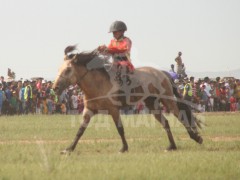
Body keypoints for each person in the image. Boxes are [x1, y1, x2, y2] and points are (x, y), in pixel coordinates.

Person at [98, 20, 134, 85]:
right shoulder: (113, 41)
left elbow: (122, 49)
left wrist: (108, 49)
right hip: (114, 63)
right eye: (113, 32)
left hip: (125, 62)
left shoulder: (126, 40)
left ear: (122, 31)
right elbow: (108, 52)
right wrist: (102, 50)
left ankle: (125, 86)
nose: (113, 34)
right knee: (103, 67)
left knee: (121, 67)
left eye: (115, 32)